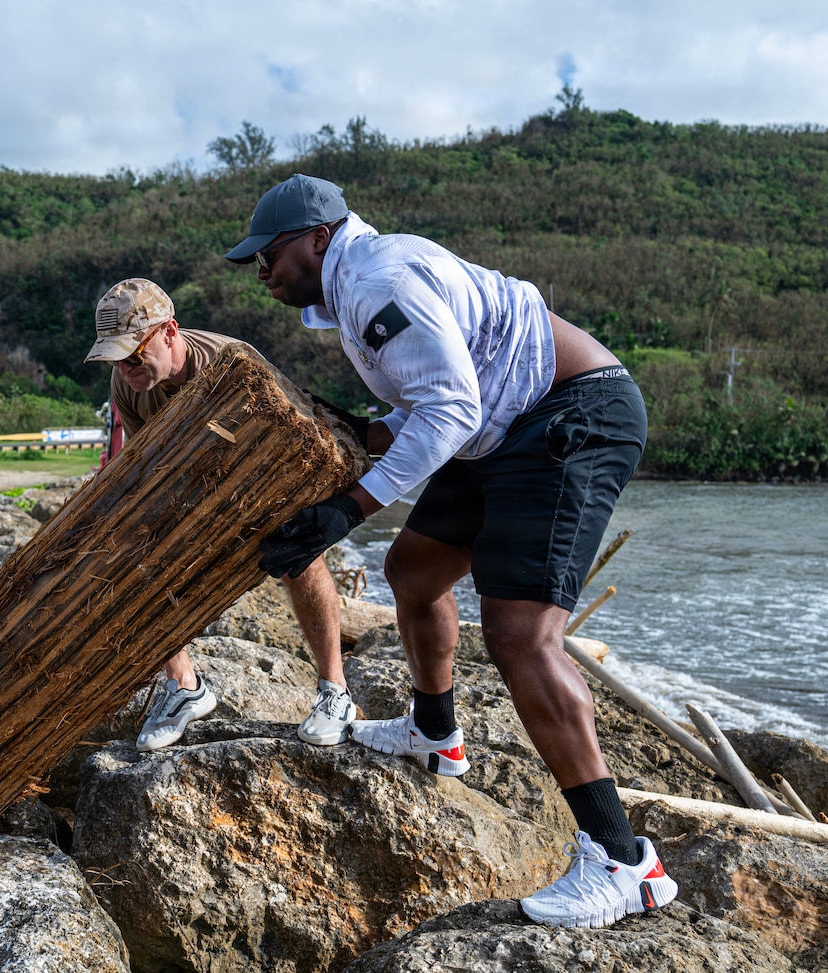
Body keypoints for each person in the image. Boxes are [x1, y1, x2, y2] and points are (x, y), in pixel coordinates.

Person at [225, 175, 678, 929]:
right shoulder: (358, 286)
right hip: (506, 425)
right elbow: (434, 397)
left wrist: (350, 507)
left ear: (318, 237)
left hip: (566, 416)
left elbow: (451, 407)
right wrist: (359, 432)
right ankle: (436, 732)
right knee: (413, 570)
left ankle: (625, 861)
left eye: (268, 256)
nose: (261, 273)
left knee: (521, 636)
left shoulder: (376, 283)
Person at [84, 277, 357, 752]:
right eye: (114, 358)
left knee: (301, 555)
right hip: (191, 484)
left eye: (132, 354)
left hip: (265, 479)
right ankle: (185, 686)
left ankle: (336, 692)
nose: (124, 368)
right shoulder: (128, 385)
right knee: (137, 559)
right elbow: (144, 463)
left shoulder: (232, 366)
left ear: (170, 331)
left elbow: (290, 442)